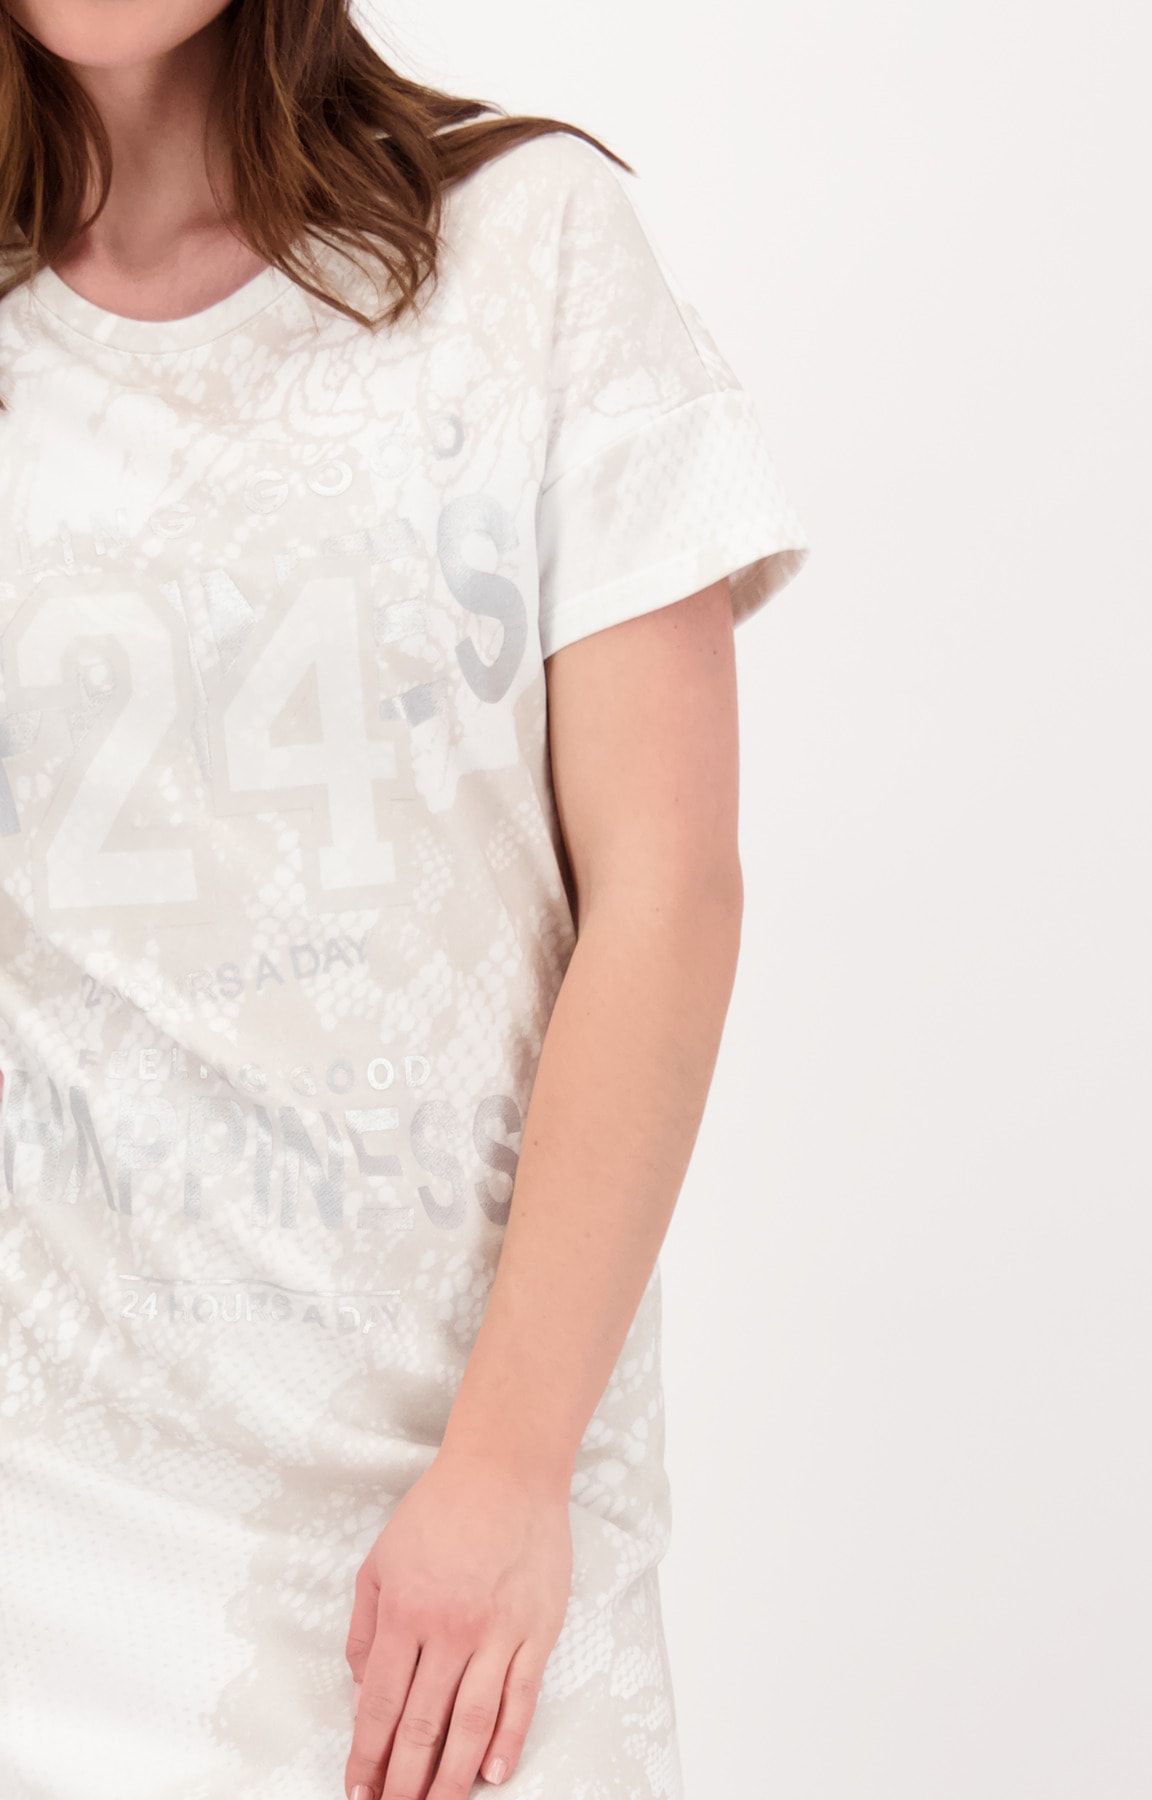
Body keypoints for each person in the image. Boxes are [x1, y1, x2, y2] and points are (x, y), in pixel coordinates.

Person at [0, 2, 811, 1797]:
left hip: (464, 1550)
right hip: (38, 1556)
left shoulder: (533, 251)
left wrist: (510, 1471)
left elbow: (670, 891)